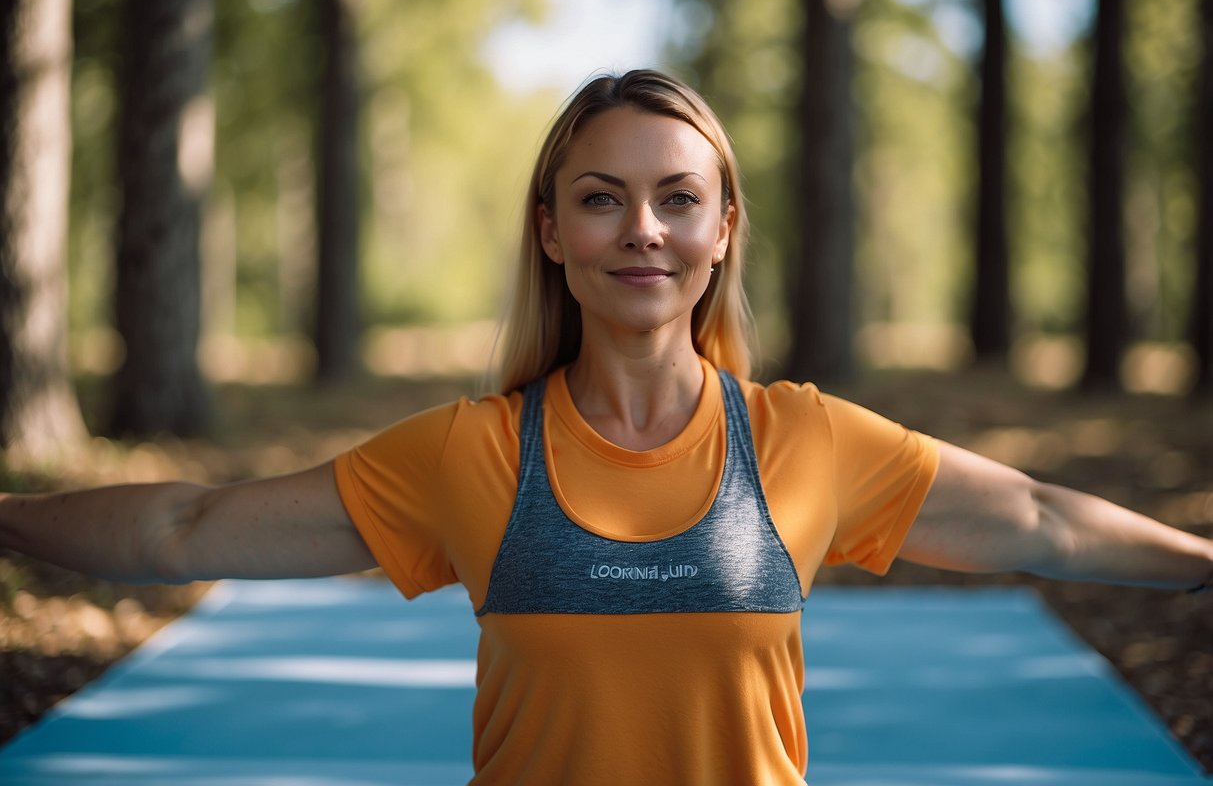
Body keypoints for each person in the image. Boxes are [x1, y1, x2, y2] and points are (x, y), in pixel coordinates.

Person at [1, 68, 1210, 785]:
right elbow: (181, 524)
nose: (643, 228)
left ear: (722, 226)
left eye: (677, 198)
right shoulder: (465, 452)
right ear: (550, 230)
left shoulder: (809, 440)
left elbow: (1045, 517)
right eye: (602, 198)